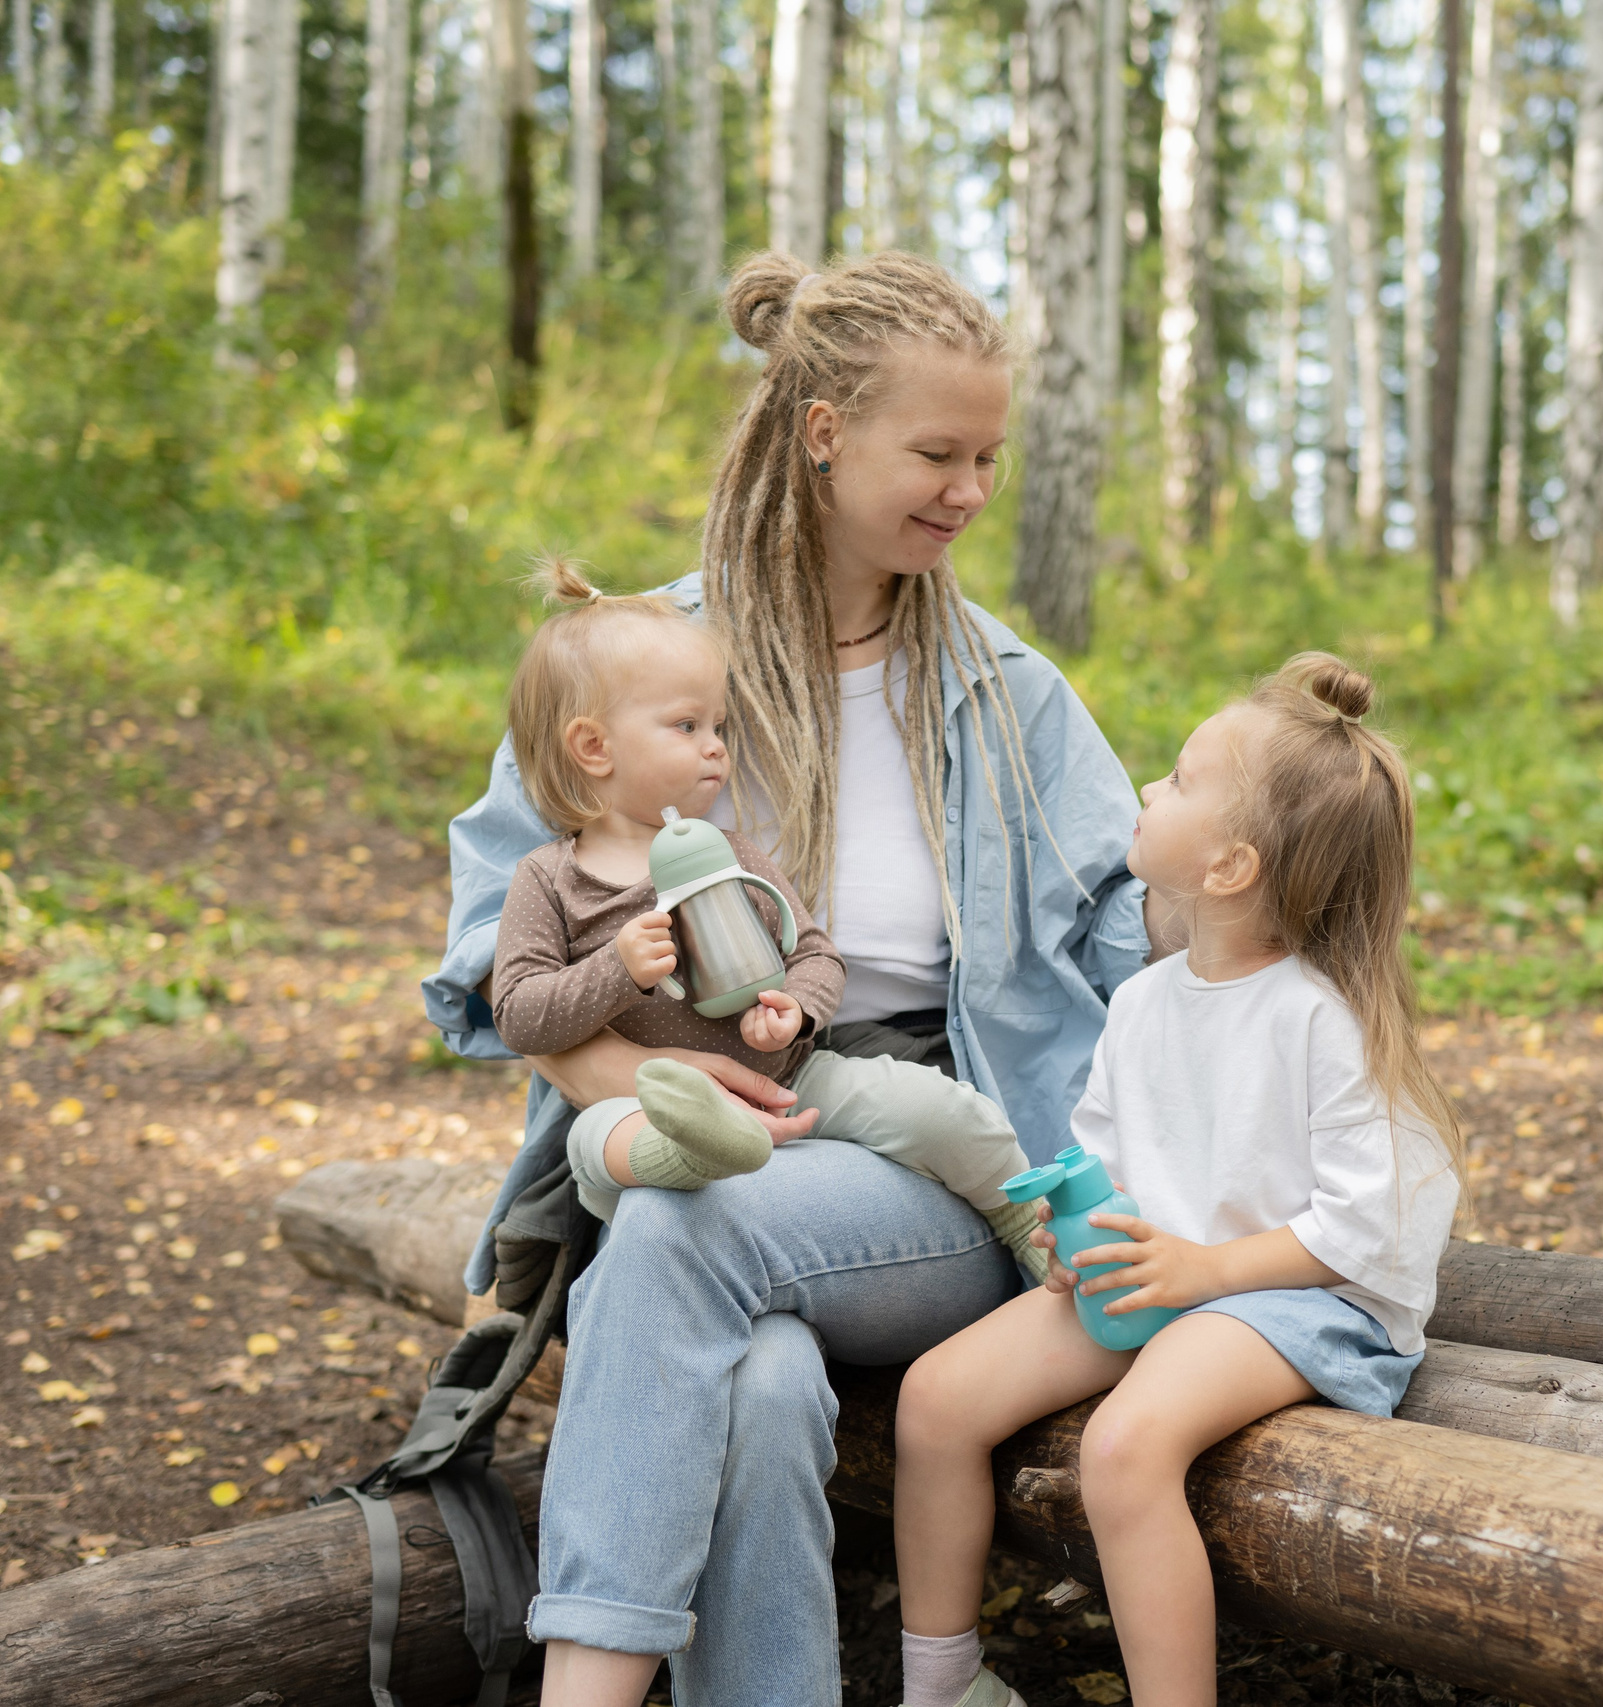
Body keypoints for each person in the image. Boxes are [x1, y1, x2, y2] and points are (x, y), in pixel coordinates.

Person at [420, 248, 1171, 1707]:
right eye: (937, 453)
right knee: (757, 1382)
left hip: (933, 1162)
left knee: (680, 1233)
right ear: (824, 432)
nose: (970, 490)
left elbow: (1130, 938)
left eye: (990, 457)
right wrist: (644, 1073)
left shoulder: (1004, 692)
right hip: (689, 1132)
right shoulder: (641, 667)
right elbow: (489, 958)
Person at [888, 654, 1463, 1707]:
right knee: (934, 1399)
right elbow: (1107, 1156)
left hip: (1299, 1296)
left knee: (1125, 1446)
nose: (1149, 787)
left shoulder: (1318, 1016)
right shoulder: (1146, 1001)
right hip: (1166, 1281)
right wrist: (1078, 1233)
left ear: (1230, 865)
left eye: (1180, 779)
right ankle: (944, 1685)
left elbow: (1372, 1227)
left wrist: (1207, 1270)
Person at [486, 565, 1042, 1273]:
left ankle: (1025, 1220)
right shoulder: (549, 879)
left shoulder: (730, 852)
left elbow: (814, 953)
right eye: (687, 725)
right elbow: (518, 1014)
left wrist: (796, 1011)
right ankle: (694, 1149)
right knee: (594, 1141)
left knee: (934, 1106)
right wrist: (615, 970)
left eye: (718, 726)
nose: (717, 745)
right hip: (651, 1102)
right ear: (594, 746)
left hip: (789, 1076)